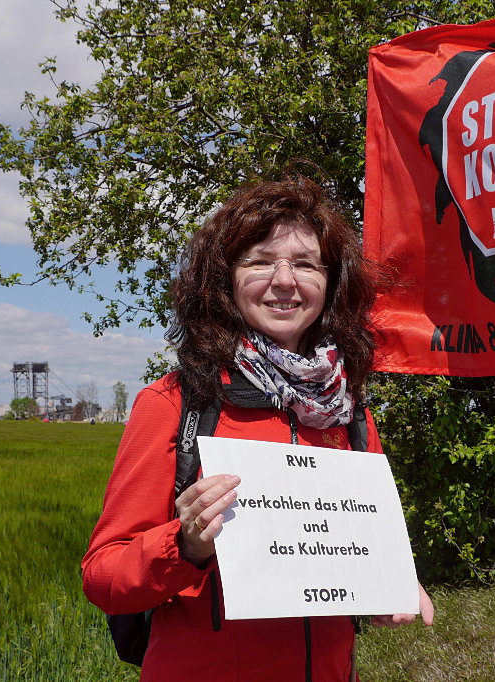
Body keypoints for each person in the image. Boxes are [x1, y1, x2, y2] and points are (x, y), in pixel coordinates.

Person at [82, 174, 434, 681]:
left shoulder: (348, 411)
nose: (285, 280)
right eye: (261, 261)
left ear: (331, 284)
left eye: (306, 264)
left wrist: (391, 581)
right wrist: (184, 546)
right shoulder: (175, 402)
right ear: (225, 280)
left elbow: (360, 543)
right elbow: (103, 576)